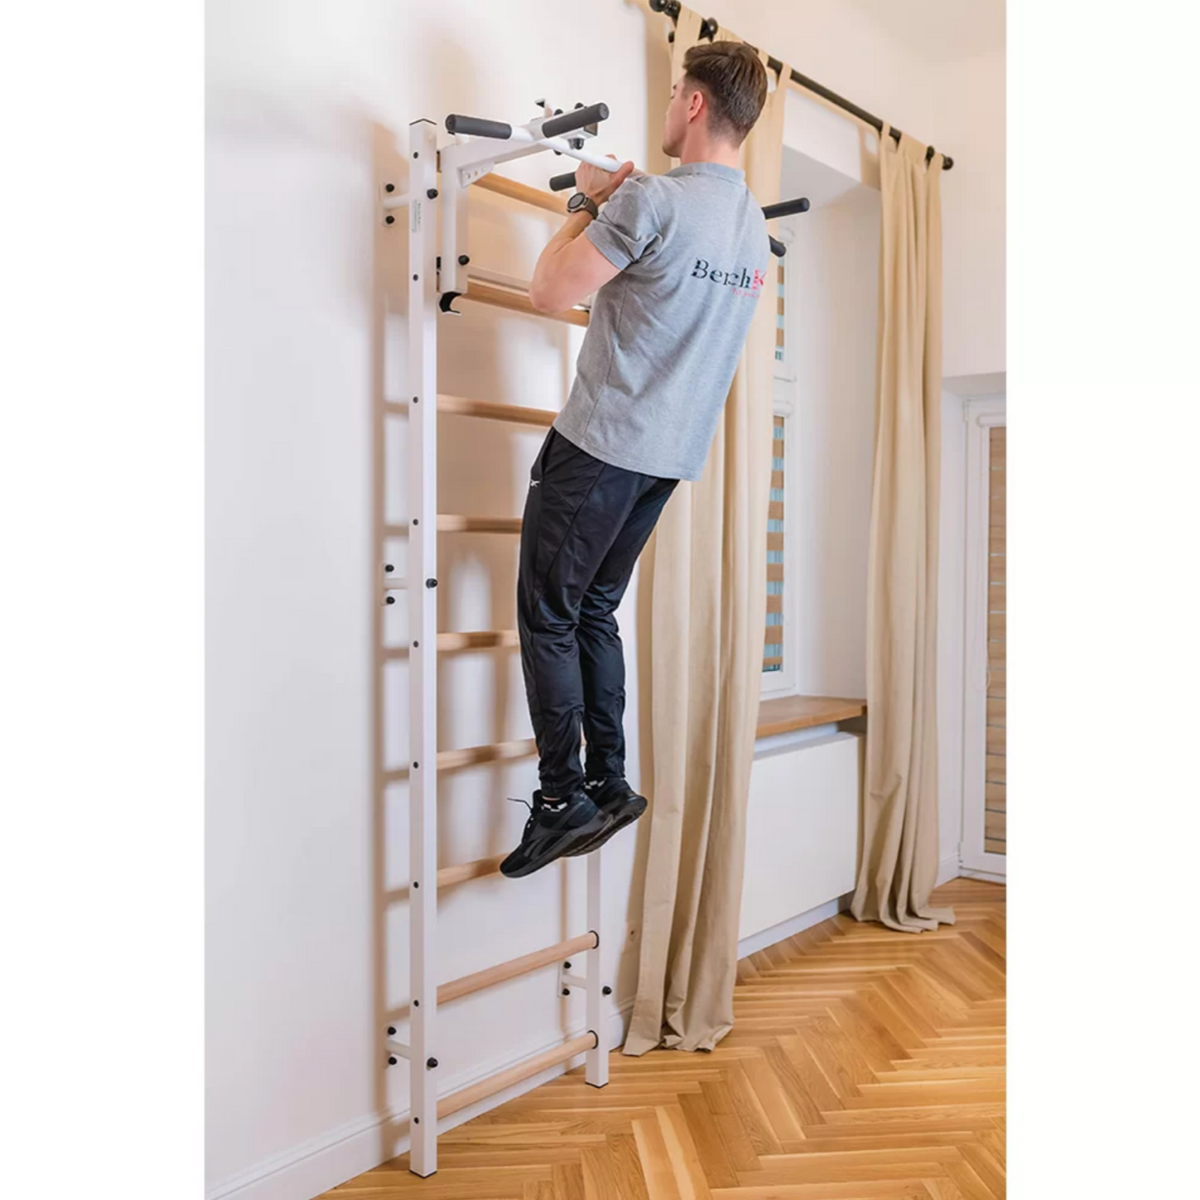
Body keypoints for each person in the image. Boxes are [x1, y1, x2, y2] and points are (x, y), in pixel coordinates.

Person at [500, 42, 771, 878]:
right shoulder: (752, 229)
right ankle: (609, 782)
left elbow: (551, 291)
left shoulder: (653, 199)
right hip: (664, 459)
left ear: (693, 105)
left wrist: (585, 202)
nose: (665, 111)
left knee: (549, 613)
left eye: (672, 96)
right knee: (591, 613)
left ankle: (561, 797)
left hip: (600, 445)